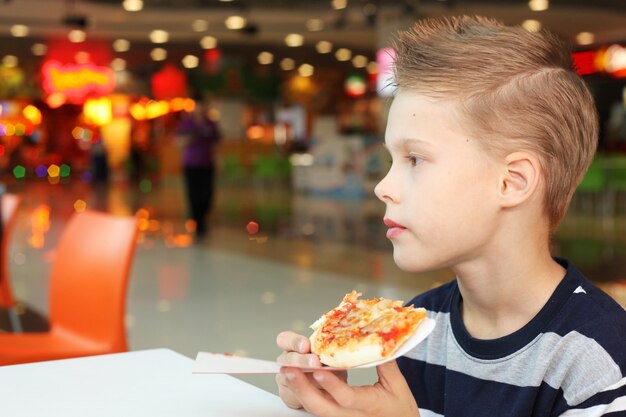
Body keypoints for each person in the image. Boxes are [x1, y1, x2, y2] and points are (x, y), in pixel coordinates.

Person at [275, 15, 626, 417]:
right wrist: (324, 396)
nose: (382, 187)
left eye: (415, 159)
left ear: (512, 182)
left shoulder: (598, 358)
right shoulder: (418, 329)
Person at [177, 95, 221, 238]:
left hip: (207, 163)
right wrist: (190, 137)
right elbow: (178, 141)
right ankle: (198, 222)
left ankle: (202, 217)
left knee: (207, 193)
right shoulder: (187, 123)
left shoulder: (210, 123)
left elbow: (218, 140)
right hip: (191, 163)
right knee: (193, 194)